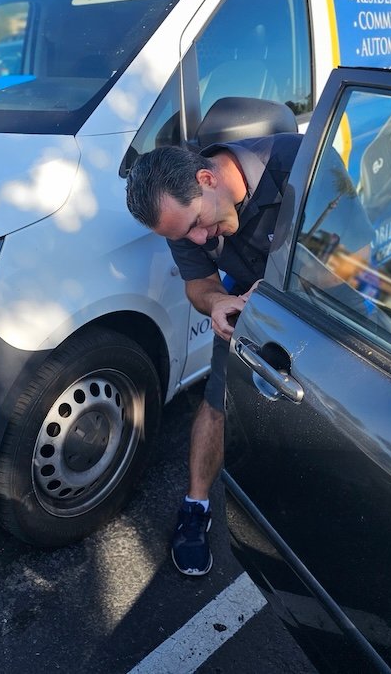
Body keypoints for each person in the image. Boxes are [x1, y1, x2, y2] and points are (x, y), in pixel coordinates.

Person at [124, 133, 304, 576]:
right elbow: (199, 283)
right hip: (248, 312)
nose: (201, 239)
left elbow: (356, 255)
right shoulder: (180, 213)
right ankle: (196, 503)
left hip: (319, 316)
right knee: (216, 404)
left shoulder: (299, 164)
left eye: (199, 224)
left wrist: (291, 284)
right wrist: (218, 303)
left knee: (326, 421)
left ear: (207, 178)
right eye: (187, 234)